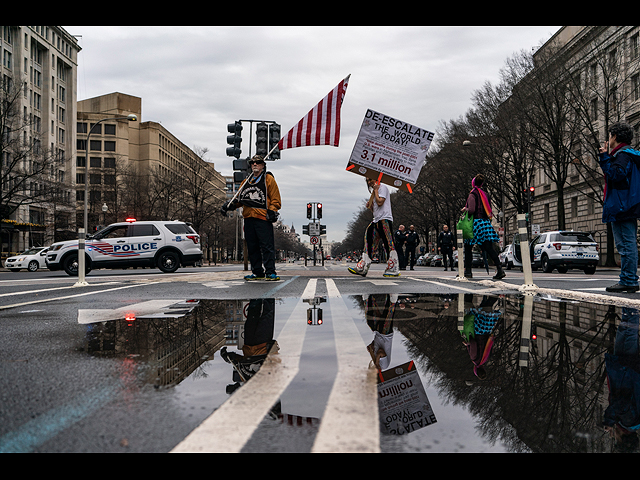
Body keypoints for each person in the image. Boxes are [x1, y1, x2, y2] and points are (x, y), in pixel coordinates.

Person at [221, 155, 282, 281]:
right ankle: (257, 272)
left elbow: (275, 199)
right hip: (248, 219)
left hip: (263, 218)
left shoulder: (268, 179)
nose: (255, 165)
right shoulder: (246, 181)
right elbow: (239, 199)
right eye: (252, 163)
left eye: (258, 163)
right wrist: (229, 205)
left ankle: (270, 271)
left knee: (266, 246)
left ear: (263, 165)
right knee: (252, 247)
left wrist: (272, 210)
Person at [599, 122, 640, 293]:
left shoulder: (622, 156)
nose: (608, 140)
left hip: (622, 206)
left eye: (609, 136)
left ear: (615, 137)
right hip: (627, 204)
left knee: (625, 244)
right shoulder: (629, 154)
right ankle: (628, 279)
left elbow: (615, 175)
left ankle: (629, 280)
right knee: (626, 243)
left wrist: (604, 157)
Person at [348, 177, 400, 277]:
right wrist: (371, 207)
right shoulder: (375, 191)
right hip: (377, 220)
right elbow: (376, 209)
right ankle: (363, 266)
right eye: (367, 181)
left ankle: (393, 267)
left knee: (388, 243)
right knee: (369, 240)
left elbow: (380, 202)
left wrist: (376, 190)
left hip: (384, 219)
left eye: (370, 179)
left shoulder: (382, 188)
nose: (369, 182)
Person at [461, 174, 505, 280]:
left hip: (475, 223)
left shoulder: (473, 194)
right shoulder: (486, 194)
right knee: (489, 248)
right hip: (485, 224)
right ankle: (500, 269)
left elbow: (471, 210)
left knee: (468, 247)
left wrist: (464, 209)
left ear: (473, 183)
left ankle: (468, 271)